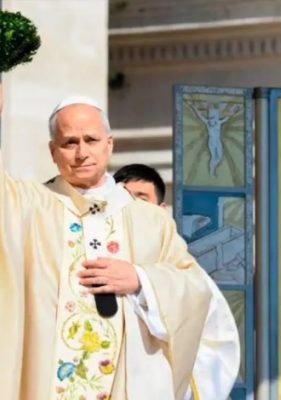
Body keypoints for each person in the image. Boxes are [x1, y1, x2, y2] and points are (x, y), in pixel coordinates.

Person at [0, 96, 239, 400]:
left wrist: (141, 279)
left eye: (91, 140)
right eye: (70, 142)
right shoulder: (28, 206)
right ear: (52, 150)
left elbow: (194, 288)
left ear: (109, 144)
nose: (82, 153)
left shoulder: (150, 218)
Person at [114, 163, 241, 399]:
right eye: (126, 200)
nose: (134, 209)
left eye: (141, 200)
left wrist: (142, 281)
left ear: (162, 211)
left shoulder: (183, 271)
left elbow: (214, 339)